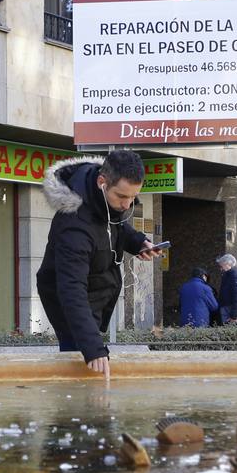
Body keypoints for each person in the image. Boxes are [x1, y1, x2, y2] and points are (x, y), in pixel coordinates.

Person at [37, 151, 163, 376]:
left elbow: (114, 225)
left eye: (133, 197)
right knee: (80, 364)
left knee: (90, 359)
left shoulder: (104, 201)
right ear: (101, 182)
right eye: (122, 196)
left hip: (97, 289)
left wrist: (137, 242)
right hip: (69, 301)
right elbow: (72, 290)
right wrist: (93, 347)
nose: (127, 205)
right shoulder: (74, 226)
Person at [216, 253, 237, 324]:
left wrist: (233, 316)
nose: (221, 269)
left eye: (221, 266)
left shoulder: (235, 276)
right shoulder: (230, 275)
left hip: (235, 316)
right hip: (232, 313)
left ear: (227, 264)